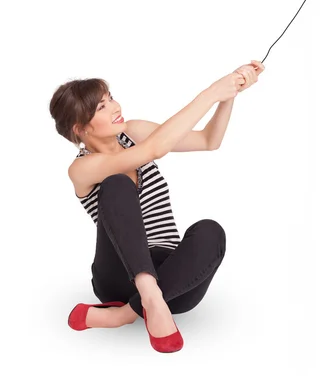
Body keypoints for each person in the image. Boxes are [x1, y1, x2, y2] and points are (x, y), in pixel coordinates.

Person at [49, 60, 264, 353]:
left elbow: (208, 140)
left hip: (174, 281)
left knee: (210, 231)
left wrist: (228, 97)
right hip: (118, 277)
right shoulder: (82, 169)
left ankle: (125, 313)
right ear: (80, 129)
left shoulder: (133, 133)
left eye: (111, 98)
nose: (115, 107)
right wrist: (212, 91)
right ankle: (147, 295)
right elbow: (155, 150)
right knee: (117, 184)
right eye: (101, 107)